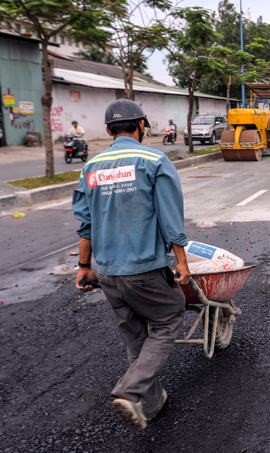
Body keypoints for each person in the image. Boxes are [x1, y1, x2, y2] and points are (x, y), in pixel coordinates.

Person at [72, 99, 191, 429]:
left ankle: (149, 405)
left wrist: (84, 267)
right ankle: (130, 390)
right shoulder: (154, 160)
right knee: (169, 318)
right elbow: (170, 218)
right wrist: (181, 261)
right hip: (145, 269)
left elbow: (85, 224)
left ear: (109, 130)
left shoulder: (90, 167)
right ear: (141, 126)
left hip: (108, 272)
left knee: (135, 336)